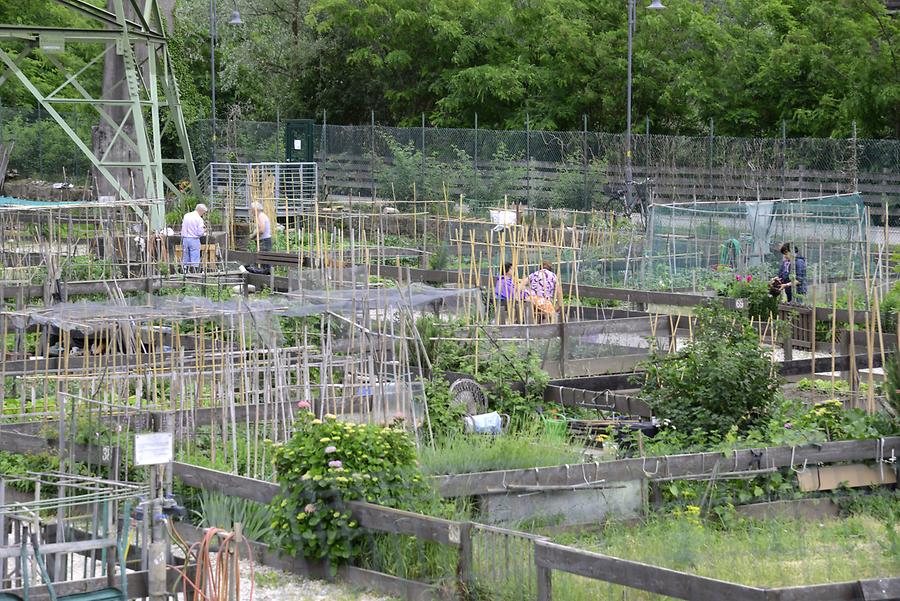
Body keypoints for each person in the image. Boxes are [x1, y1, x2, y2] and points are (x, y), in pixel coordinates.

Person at [181, 203, 207, 272]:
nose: (203, 215)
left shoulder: (186, 215)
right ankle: (194, 272)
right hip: (194, 239)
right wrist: (204, 231)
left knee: (185, 257)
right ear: (201, 211)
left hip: (185, 239)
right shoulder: (199, 219)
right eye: (203, 213)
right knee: (195, 257)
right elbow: (199, 232)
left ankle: (185, 272)